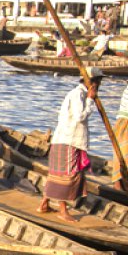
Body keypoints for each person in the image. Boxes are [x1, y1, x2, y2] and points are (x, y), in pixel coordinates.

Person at [37, 67, 104, 222]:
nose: (100, 85)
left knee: (57, 174)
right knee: (67, 176)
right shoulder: (78, 95)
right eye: (99, 82)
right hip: (68, 140)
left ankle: (43, 204)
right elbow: (80, 117)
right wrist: (90, 99)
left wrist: (90, 98)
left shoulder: (82, 94)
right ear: (93, 82)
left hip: (67, 140)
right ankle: (62, 211)